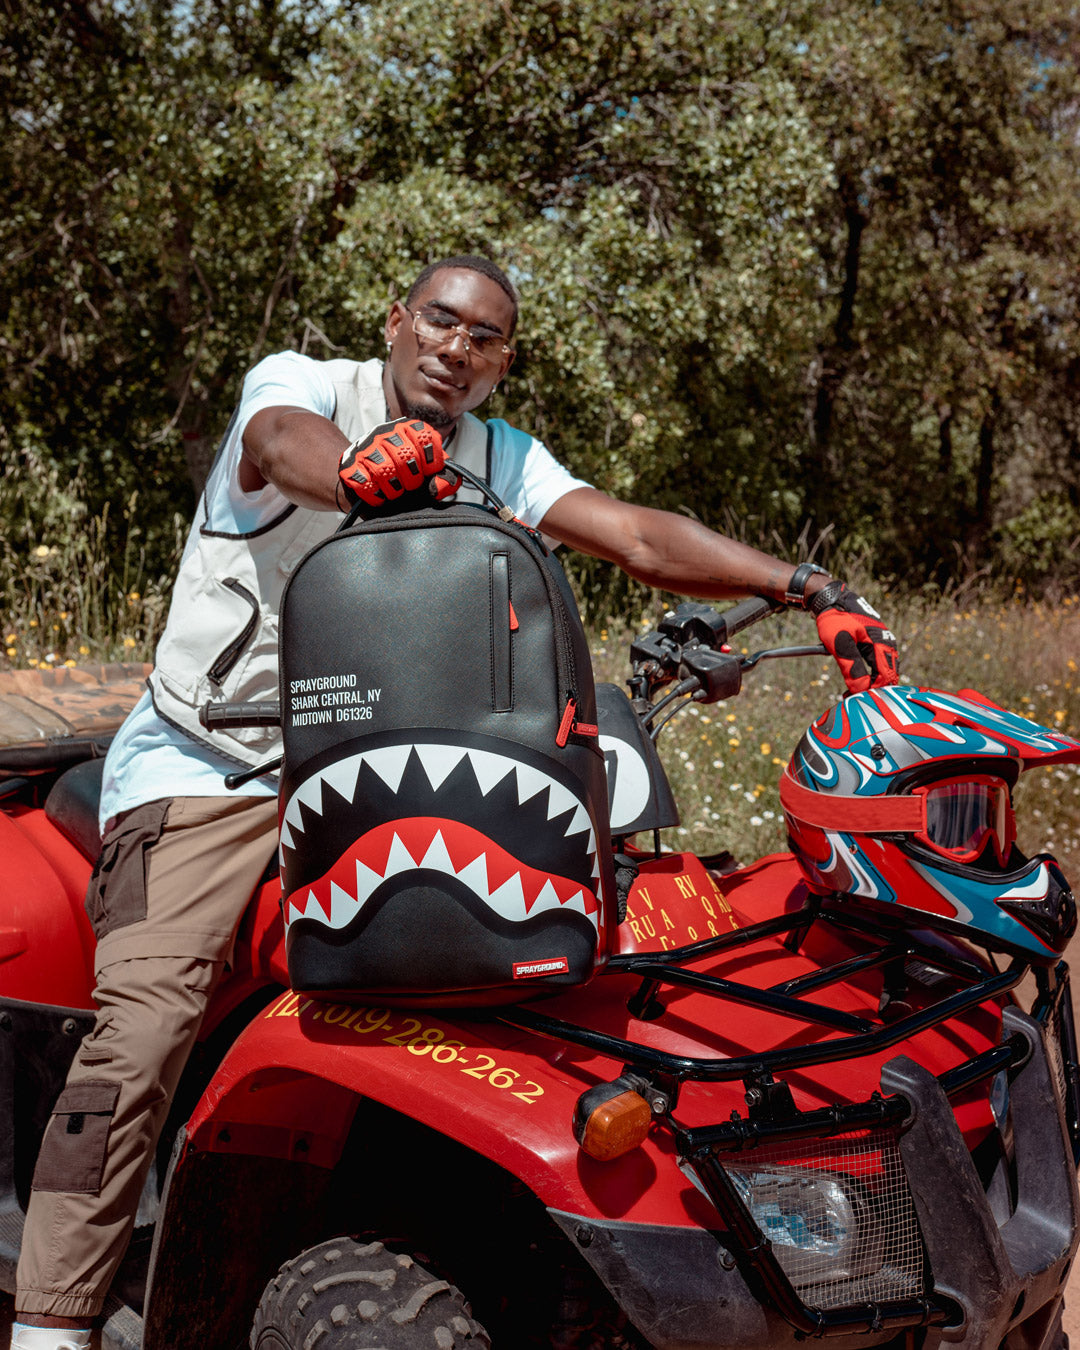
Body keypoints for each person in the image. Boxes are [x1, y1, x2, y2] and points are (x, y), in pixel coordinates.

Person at [10, 254, 899, 1350]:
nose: (457, 348)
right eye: (440, 321)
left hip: (380, 762)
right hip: (214, 768)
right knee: (143, 1029)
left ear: (501, 363)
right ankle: (52, 1324)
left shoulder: (498, 454)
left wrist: (799, 587)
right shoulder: (298, 386)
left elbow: (629, 532)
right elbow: (286, 449)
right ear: (396, 323)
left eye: (484, 338)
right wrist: (366, 469)